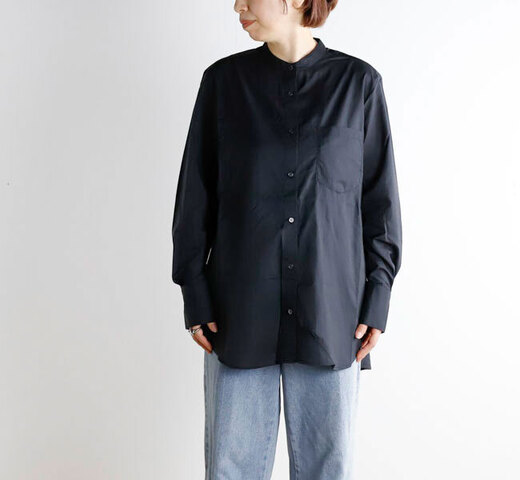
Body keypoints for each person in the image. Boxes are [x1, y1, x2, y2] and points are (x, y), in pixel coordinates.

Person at [171, 0, 402, 478]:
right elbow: (195, 197)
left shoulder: (358, 85)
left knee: (327, 470)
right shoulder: (223, 85)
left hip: (331, 314)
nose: (237, 5)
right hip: (238, 313)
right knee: (231, 469)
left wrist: (377, 296)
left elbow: (379, 204)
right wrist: (195, 292)